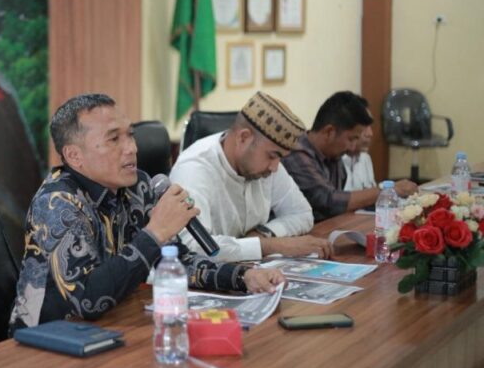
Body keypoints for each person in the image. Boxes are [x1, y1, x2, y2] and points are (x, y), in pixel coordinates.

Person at [8, 94, 285, 333]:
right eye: (114, 138)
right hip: (45, 343)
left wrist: (241, 277)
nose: (132, 148)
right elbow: (87, 301)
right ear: (74, 156)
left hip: (112, 326)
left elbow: (179, 262)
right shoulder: (57, 204)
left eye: (130, 134)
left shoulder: (137, 186)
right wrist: (154, 233)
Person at [170, 91, 331, 262]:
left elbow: (302, 213)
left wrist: (263, 233)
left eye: (279, 158)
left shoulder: (264, 164)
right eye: (272, 156)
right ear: (243, 138)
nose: (275, 167)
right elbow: (194, 247)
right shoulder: (194, 170)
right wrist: (272, 245)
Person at [282, 91, 416, 222]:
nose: (352, 147)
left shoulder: (333, 154)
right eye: (351, 139)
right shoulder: (296, 153)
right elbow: (329, 201)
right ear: (329, 132)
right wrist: (387, 190)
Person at [342, 123, 376, 191]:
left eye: (370, 127)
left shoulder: (365, 158)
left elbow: (371, 190)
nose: (370, 133)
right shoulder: (332, 161)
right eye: (364, 127)